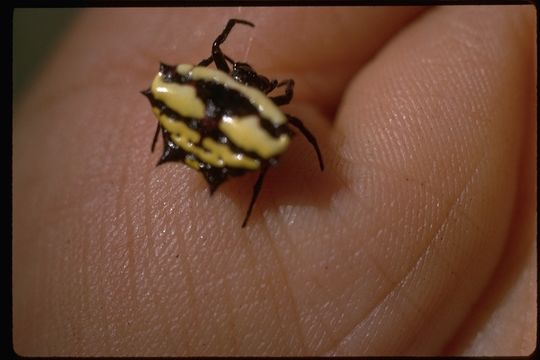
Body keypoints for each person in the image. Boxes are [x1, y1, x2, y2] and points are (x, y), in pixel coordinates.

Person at [13, 6, 535, 356]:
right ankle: (236, 186)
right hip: (227, 143)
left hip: (230, 143)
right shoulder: (250, 94)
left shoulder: (258, 98)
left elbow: (262, 105)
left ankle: (237, 184)